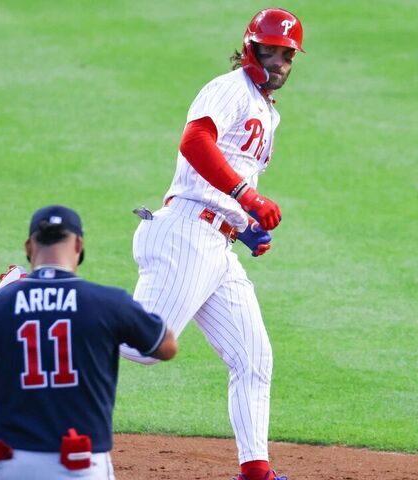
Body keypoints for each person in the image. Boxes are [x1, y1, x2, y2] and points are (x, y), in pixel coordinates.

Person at [121, 8, 304, 480]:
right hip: (186, 234)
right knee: (144, 347)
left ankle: (256, 471)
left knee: (253, 357)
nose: (279, 61)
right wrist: (246, 196)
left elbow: (223, 177)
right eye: (270, 50)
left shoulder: (267, 111)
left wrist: (242, 226)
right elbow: (195, 141)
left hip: (215, 245)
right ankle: (31, 296)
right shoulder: (229, 89)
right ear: (250, 48)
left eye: (287, 55)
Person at [0, 205, 177, 480]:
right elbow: (166, 347)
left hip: (11, 463)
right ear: (78, 245)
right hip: (78, 465)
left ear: (29, 247)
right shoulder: (109, 303)